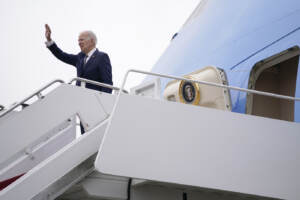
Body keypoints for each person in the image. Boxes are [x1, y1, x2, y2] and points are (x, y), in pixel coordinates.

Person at [44, 24, 113, 93]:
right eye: (78, 41)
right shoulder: (80, 57)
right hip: (79, 97)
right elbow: (62, 55)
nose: (79, 43)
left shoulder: (102, 57)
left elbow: (107, 82)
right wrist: (49, 40)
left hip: (95, 99)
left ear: (92, 41)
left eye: (81, 40)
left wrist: (104, 101)